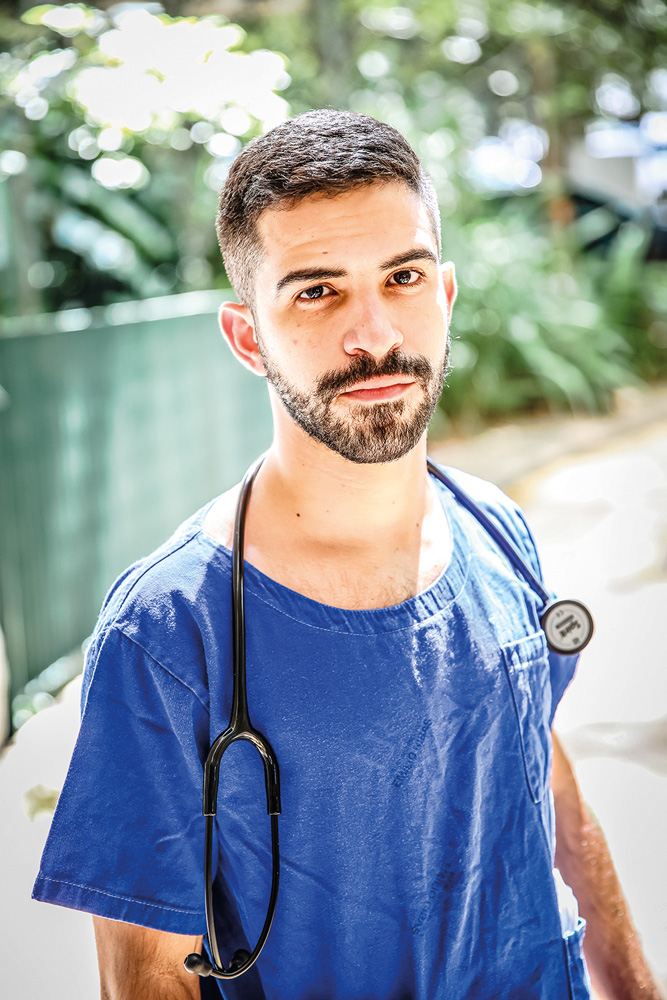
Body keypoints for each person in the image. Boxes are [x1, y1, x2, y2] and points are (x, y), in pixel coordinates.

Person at [33, 110, 660, 1000]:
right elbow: (147, 977)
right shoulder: (168, 633)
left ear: (441, 295)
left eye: (400, 277)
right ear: (248, 337)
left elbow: (543, 782)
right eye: (316, 291)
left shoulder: (497, 531)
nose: (373, 333)